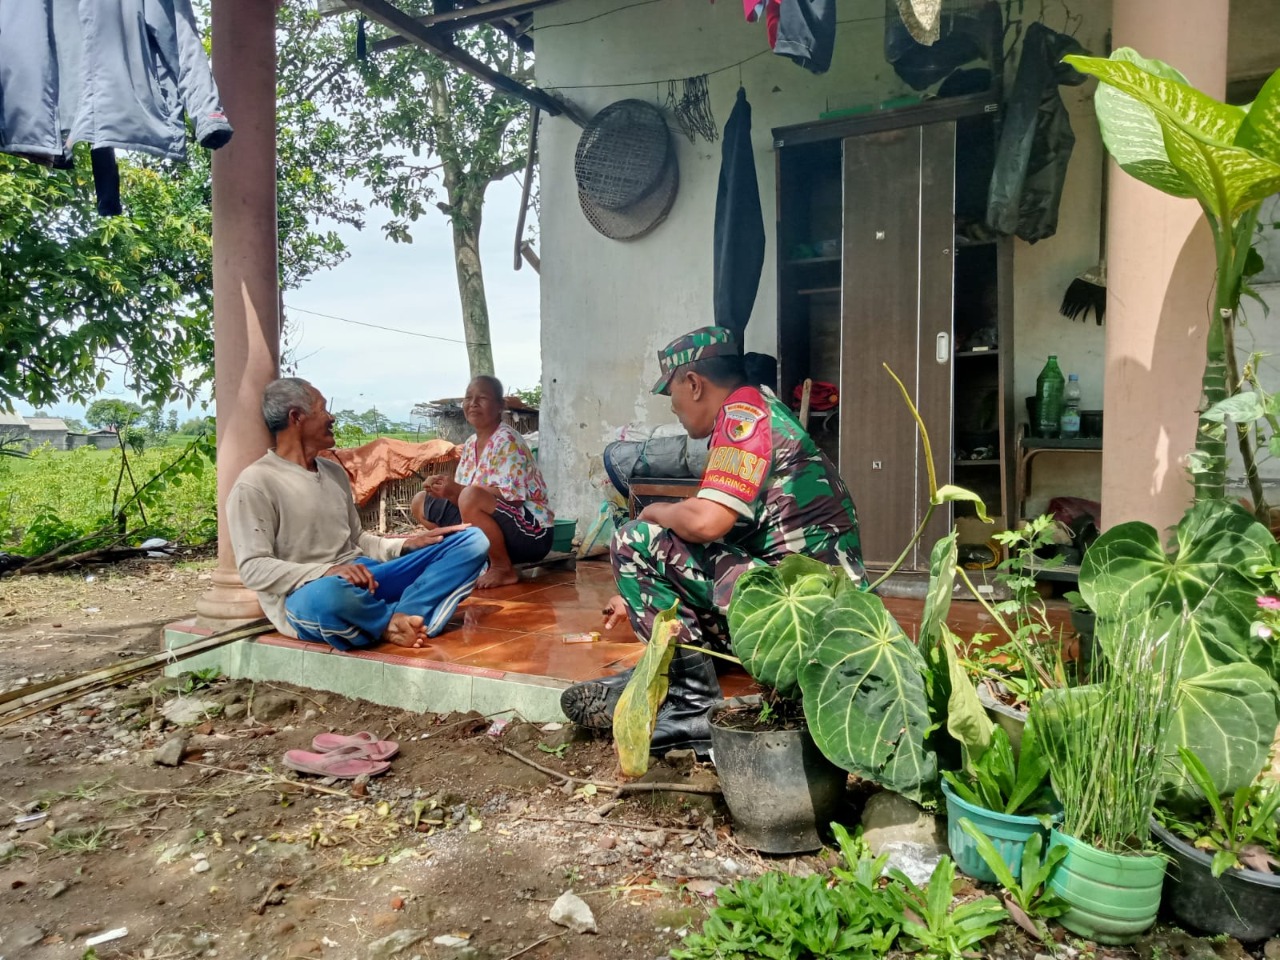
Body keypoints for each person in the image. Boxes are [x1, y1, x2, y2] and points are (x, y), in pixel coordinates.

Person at [560, 326, 864, 755]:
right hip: (809, 606)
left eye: (673, 396)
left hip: (806, 615)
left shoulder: (744, 416)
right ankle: (664, 678)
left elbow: (705, 523)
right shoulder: (759, 408)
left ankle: (692, 707)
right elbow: (726, 530)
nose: (677, 410)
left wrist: (651, 512)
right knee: (660, 544)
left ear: (694, 383)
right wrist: (638, 593)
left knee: (636, 538)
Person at [227, 377, 491, 650]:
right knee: (328, 596)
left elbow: (357, 538)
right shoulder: (256, 482)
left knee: (472, 540)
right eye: (322, 410)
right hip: (310, 594)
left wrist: (405, 544)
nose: (332, 418)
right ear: (296, 417)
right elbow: (253, 568)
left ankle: (399, 618)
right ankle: (390, 621)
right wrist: (327, 571)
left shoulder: (333, 472)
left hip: (368, 578)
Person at [410, 375, 554, 590]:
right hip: (495, 523)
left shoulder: (507, 440)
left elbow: (512, 501)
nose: (473, 403)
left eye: (482, 398)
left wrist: (458, 491)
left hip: (531, 533)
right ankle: (465, 557)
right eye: (468, 398)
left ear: (499, 406)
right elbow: (463, 499)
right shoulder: (470, 445)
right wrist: (442, 489)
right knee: (421, 501)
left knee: (469, 495)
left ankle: (502, 568)